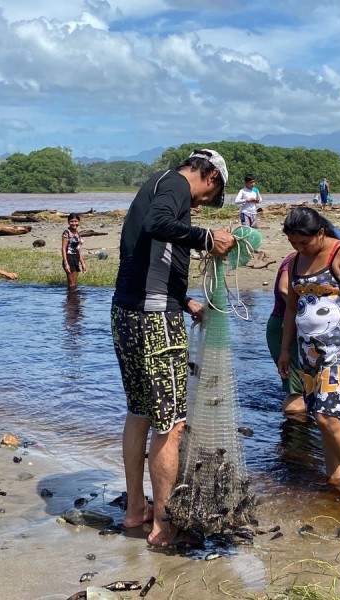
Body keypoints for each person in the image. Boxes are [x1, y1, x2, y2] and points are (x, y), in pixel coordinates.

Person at [111, 148, 237, 547]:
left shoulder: (157, 184)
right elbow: (159, 223)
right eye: (208, 199)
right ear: (210, 177)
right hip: (153, 322)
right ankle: (164, 525)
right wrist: (206, 238)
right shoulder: (178, 185)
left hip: (127, 313)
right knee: (171, 422)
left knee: (139, 412)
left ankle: (136, 509)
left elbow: (143, 251)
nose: (201, 206)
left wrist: (185, 301)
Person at [277, 206, 340, 495]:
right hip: (309, 354)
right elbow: (292, 308)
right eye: (293, 243)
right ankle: (333, 478)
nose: (298, 248)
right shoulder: (294, 261)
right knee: (321, 416)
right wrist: (285, 351)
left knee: (327, 417)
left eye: (304, 242)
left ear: (320, 233)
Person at [265, 253, 306, 421]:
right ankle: (295, 445)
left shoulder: (309, 260)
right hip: (284, 325)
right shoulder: (295, 259)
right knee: (296, 394)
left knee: (302, 387)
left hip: (293, 326)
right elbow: (284, 288)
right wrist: (307, 310)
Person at [61, 212, 88, 290]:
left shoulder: (77, 233)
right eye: (71, 221)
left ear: (79, 222)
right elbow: (63, 248)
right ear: (68, 222)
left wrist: (83, 264)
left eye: (76, 221)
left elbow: (77, 250)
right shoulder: (67, 232)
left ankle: (74, 301)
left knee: (75, 284)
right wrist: (66, 263)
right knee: (72, 285)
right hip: (69, 258)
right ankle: (70, 301)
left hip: (76, 258)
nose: (74, 223)